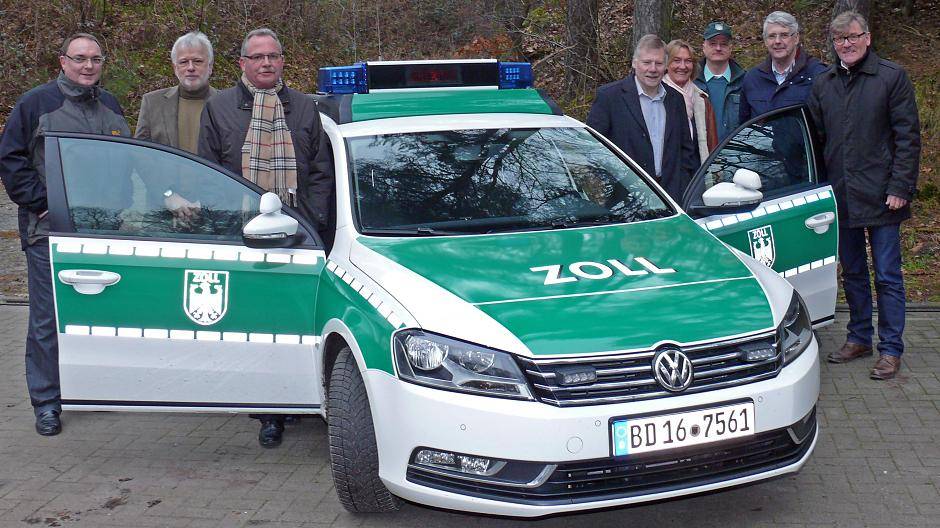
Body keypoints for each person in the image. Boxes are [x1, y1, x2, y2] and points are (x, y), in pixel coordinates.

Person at [198, 28, 333, 447]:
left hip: (297, 234)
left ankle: (304, 401)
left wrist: (307, 224)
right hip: (245, 237)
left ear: (282, 62)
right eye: (257, 57)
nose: (266, 63)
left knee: (296, 321)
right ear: (242, 64)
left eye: (273, 56)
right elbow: (209, 174)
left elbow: (320, 174)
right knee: (257, 324)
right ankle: (268, 412)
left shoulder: (305, 109)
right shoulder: (219, 108)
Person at [0, 33, 131, 435]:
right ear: (62, 61)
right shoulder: (36, 104)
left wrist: (122, 202)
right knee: (47, 319)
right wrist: (43, 203)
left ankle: (91, 389)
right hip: (49, 232)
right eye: (79, 59)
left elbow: (125, 158)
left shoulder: (110, 105)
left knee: (97, 315)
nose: (88, 66)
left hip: (101, 230)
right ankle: (47, 401)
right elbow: (11, 159)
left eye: (95, 59)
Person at [806, 11, 920, 380]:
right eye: (840, 39)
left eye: (853, 37)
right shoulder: (824, 83)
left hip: (885, 196)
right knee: (853, 272)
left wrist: (900, 188)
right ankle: (859, 337)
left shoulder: (891, 77)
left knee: (887, 275)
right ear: (833, 43)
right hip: (841, 196)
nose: (847, 44)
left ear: (867, 38)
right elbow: (817, 140)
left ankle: (890, 348)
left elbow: (907, 138)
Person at [587, 34, 697, 202]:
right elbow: (593, 147)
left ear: (665, 66)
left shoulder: (675, 99)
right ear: (634, 63)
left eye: (658, 63)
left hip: (671, 198)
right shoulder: (609, 97)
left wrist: (682, 185)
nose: (652, 69)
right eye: (646, 62)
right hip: (624, 198)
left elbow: (686, 150)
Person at [739, 11, 827, 122]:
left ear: (796, 38)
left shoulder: (818, 75)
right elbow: (743, 127)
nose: (777, 41)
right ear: (765, 41)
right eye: (771, 36)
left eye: (784, 35)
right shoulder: (752, 78)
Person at [663, 39, 717, 164]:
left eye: (688, 61)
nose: (683, 66)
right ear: (666, 64)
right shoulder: (658, 97)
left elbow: (712, 144)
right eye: (676, 60)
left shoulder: (702, 100)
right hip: (666, 174)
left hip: (697, 173)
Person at [693, 21, 746, 141]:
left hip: (735, 156)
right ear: (704, 47)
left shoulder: (745, 82)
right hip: (700, 156)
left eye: (723, 44)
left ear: (730, 48)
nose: (718, 48)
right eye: (713, 44)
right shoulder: (691, 82)